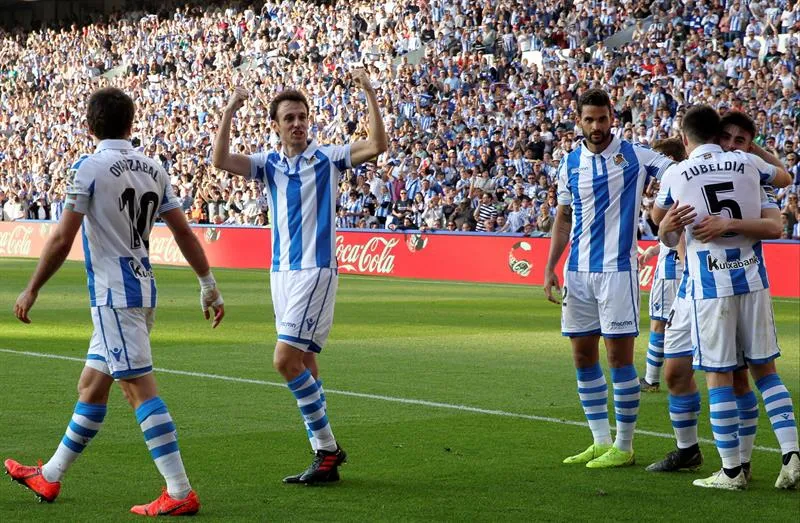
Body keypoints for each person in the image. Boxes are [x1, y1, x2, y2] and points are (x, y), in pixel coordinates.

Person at [4, 87, 225, 516]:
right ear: (131, 122)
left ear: (90, 126)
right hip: (142, 290)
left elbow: (63, 237)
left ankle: (180, 492)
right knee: (91, 385)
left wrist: (32, 288)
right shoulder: (153, 168)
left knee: (137, 389)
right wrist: (207, 283)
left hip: (113, 295)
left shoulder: (88, 168)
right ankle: (50, 475)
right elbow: (182, 232)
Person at [212, 69, 387, 484]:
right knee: (306, 361)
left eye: (302, 117)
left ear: (310, 121)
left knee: (284, 359)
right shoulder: (268, 165)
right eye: (288, 118)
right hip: (281, 274)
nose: (297, 124)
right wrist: (230, 110)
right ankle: (322, 457)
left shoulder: (328, 157)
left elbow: (378, 145)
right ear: (275, 125)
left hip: (315, 268)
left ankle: (327, 448)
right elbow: (219, 160)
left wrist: (369, 94)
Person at [652, 105, 799, 490]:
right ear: (718, 135)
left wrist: (664, 224)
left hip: (709, 286)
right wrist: (757, 153)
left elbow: (658, 219)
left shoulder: (676, 173)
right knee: (763, 370)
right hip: (751, 279)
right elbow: (783, 177)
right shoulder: (749, 166)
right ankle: (791, 453)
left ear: (685, 139)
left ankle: (733, 470)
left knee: (720, 375)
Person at [543, 89, 674, 468]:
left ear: (612, 117)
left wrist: (662, 211)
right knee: (583, 356)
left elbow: (678, 172)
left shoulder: (635, 155)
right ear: (579, 121)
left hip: (618, 271)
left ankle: (625, 445)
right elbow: (563, 219)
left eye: (602, 119)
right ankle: (599, 440)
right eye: (590, 120)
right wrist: (551, 266)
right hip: (577, 272)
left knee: (618, 359)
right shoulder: (569, 163)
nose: (597, 126)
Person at [637, 138, 689, 393]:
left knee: (659, 323)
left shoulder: (672, 185)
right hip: (677, 260)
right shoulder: (689, 182)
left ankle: (651, 379)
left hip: (672, 270)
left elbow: (677, 232)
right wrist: (654, 249)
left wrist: (682, 261)